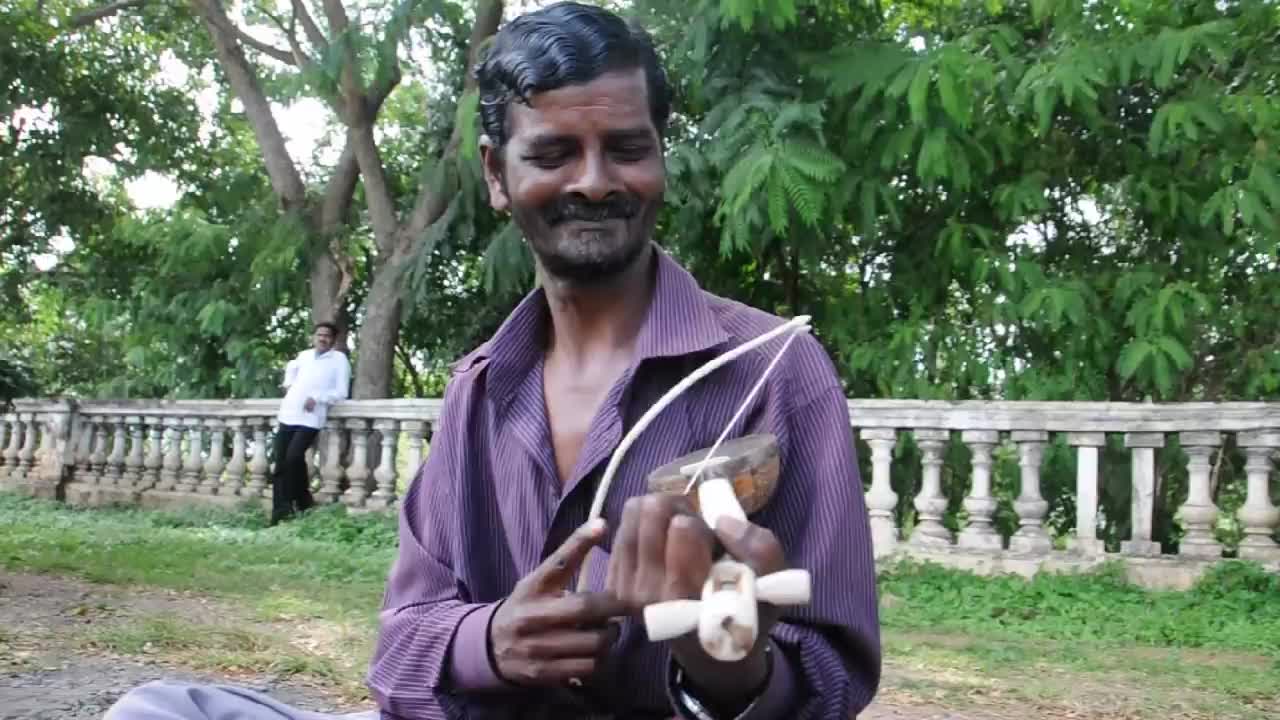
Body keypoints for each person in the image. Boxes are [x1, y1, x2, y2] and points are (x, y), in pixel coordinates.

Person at [102, 3, 880, 719]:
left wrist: (721, 657)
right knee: (158, 711)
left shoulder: (773, 371)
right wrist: (491, 641)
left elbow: (836, 676)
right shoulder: (479, 388)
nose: (595, 180)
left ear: (660, 160)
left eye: (627, 148)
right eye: (552, 153)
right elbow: (400, 645)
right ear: (495, 175)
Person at [270, 321, 351, 525]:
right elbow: (290, 379)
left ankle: (302, 500)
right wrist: (290, 384)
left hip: (311, 417)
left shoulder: (339, 360)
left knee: (294, 457)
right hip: (288, 412)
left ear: (333, 340)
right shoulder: (304, 356)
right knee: (280, 463)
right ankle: (281, 512)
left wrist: (318, 397)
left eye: (327, 336)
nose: (322, 338)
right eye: (319, 335)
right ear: (313, 337)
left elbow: (341, 392)